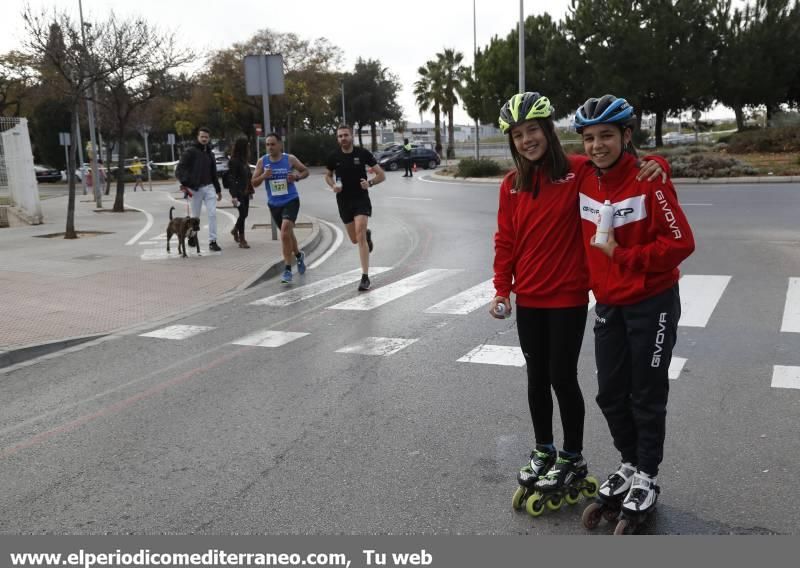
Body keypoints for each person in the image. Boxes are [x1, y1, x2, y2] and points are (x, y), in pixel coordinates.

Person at [490, 92, 668, 509]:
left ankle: (572, 455)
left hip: (568, 297)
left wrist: (659, 162)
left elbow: (621, 164)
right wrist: (502, 287)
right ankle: (544, 448)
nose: (527, 140)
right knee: (536, 377)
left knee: (562, 377)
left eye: (533, 130)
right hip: (528, 296)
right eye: (518, 135)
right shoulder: (512, 185)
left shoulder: (578, 171)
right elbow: (506, 239)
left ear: (548, 130)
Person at [573, 94, 695, 520]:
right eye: (589, 138)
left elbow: (682, 244)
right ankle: (628, 463)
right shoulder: (583, 178)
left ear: (626, 135)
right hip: (608, 303)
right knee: (609, 393)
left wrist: (620, 257)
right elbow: (541, 163)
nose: (596, 146)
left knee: (646, 393)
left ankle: (647, 474)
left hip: (652, 303)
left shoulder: (650, 180)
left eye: (606, 135)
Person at [324, 124, 386, 291]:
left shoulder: (363, 154)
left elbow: (381, 174)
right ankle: (366, 236)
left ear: (351, 136)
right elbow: (328, 176)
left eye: (345, 135)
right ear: (337, 139)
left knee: (359, 234)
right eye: (340, 136)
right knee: (354, 239)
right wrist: (333, 186)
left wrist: (370, 183)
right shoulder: (333, 156)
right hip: (343, 201)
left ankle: (365, 277)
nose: (343, 138)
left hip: (361, 199)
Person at [251, 132, 310, 283]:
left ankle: (288, 270)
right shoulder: (262, 162)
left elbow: (305, 171)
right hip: (274, 204)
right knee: (288, 235)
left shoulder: (289, 159)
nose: (270, 147)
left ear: (280, 145)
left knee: (284, 232)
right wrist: (264, 176)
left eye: (273, 144)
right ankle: (298, 255)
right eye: (267, 145)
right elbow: (254, 183)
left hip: (291, 200)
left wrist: (296, 177)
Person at [176, 127, 223, 252]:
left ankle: (213, 241)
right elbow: (180, 169)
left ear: (209, 138)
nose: (204, 139)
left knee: (212, 214)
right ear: (198, 137)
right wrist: (186, 183)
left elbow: (214, 173)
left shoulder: (210, 154)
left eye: (206, 137)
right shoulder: (190, 152)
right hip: (195, 189)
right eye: (202, 136)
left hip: (209, 188)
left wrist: (218, 190)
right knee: (195, 216)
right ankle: (192, 236)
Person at [226, 138, 255, 249]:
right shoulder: (234, 161)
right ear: (242, 148)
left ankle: (235, 230)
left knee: (245, 214)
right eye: (247, 146)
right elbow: (231, 179)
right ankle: (242, 239)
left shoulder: (244, 161)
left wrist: (250, 191)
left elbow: (248, 177)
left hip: (246, 191)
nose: (249, 148)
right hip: (238, 192)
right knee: (242, 214)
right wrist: (233, 196)